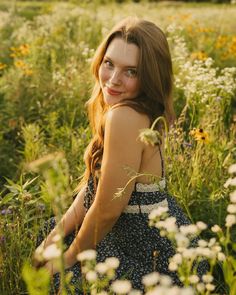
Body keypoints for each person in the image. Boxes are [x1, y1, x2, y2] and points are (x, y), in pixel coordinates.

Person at [34, 16, 203, 293]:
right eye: (109, 63)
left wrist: (67, 258)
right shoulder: (129, 107)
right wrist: (55, 235)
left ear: (148, 76)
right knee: (50, 234)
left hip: (145, 252)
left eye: (131, 71)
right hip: (139, 233)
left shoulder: (125, 116)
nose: (113, 79)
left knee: (59, 277)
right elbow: (95, 187)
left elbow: (108, 208)